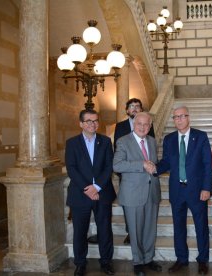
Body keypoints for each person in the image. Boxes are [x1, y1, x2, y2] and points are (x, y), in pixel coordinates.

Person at [156, 105, 212, 275]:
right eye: (176, 117)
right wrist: (154, 168)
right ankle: (181, 259)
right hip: (176, 190)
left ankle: (203, 260)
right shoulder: (169, 139)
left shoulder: (200, 136)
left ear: (188, 118)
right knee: (178, 226)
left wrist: (206, 188)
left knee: (201, 226)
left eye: (182, 116)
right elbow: (166, 162)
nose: (179, 119)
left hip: (197, 191)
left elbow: (207, 164)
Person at [65, 109, 116, 276]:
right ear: (81, 123)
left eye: (95, 121)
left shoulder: (106, 141)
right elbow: (71, 168)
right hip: (81, 194)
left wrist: (97, 187)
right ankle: (80, 263)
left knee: (105, 229)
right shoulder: (72, 143)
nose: (92, 124)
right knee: (80, 231)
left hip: (102, 193)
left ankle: (106, 262)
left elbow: (109, 166)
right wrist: (87, 188)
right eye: (88, 121)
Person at [113, 112, 162, 276]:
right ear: (134, 124)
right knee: (135, 230)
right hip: (133, 193)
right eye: (139, 124)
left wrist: (155, 168)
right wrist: (141, 164)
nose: (143, 127)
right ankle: (138, 261)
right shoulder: (123, 141)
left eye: (146, 124)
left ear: (150, 126)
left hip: (152, 191)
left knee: (150, 229)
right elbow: (117, 165)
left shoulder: (152, 141)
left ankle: (148, 258)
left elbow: (154, 164)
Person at [112, 98, 155, 245]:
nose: (135, 108)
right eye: (132, 106)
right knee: (130, 209)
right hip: (128, 176)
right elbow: (117, 155)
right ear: (127, 110)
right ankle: (131, 231)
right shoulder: (121, 127)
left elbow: (151, 152)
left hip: (147, 179)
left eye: (138, 106)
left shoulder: (149, 127)